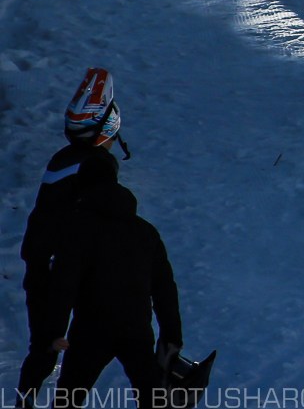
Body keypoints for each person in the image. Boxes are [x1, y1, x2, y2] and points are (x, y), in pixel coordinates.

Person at [13, 69, 128, 409]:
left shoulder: (64, 159)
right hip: (65, 270)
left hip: (43, 264)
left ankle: (25, 402)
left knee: (44, 346)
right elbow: (104, 217)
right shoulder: (98, 163)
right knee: (85, 341)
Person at [44, 173, 182, 409]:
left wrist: (54, 331)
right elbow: (164, 289)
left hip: (91, 329)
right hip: (136, 330)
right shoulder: (146, 232)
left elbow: (64, 284)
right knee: (152, 400)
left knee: (68, 399)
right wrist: (172, 335)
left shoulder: (78, 227)